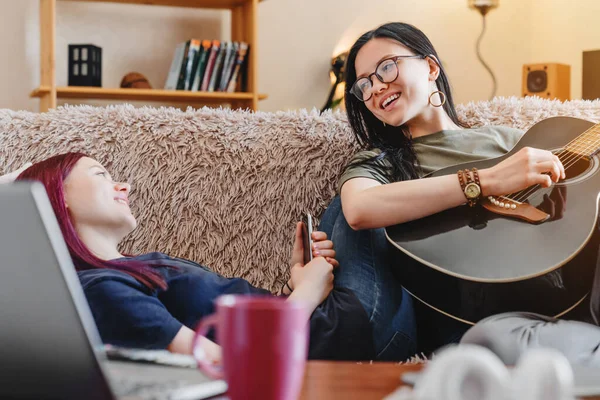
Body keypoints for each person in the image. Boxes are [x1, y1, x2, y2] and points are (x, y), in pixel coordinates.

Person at [321, 21, 569, 359]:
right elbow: (359, 209)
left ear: (430, 66)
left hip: (553, 286)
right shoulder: (378, 162)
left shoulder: (509, 141)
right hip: (458, 314)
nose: (376, 87)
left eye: (387, 67)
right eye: (364, 84)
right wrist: (486, 180)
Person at [16, 152, 376, 362]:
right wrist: (306, 294)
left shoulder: (123, 269)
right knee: (363, 192)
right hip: (344, 333)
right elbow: (231, 366)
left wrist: (300, 282)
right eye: (101, 175)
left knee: (351, 205)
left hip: (329, 318)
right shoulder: (102, 291)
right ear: (56, 197)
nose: (124, 186)